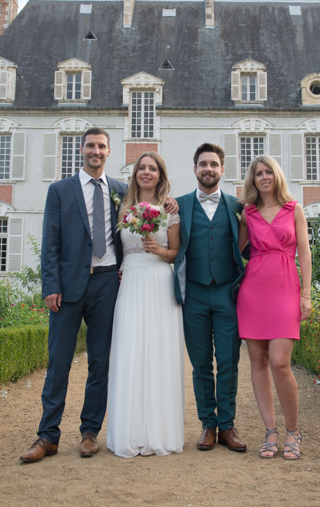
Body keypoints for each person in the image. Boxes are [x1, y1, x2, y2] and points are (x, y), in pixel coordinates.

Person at [19, 129, 178, 463]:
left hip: (108, 284)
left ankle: (89, 432)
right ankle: (48, 435)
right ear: (82, 149)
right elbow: (50, 241)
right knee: (58, 361)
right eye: (90, 145)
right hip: (67, 287)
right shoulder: (60, 190)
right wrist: (50, 285)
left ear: (109, 151)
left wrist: (173, 202)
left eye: (101, 146)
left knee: (101, 361)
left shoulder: (121, 192)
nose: (96, 150)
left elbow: (151, 212)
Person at [106, 152, 184, 457]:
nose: (146, 172)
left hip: (158, 281)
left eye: (152, 168)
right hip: (131, 282)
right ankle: (130, 430)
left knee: (158, 351)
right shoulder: (122, 207)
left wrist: (159, 251)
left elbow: (176, 252)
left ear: (160, 175)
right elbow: (115, 248)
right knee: (129, 350)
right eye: (142, 168)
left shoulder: (169, 209)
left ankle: (159, 432)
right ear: (135, 173)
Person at [236, 155, 312, 461]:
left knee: (280, 363)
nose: (264, 177)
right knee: (257, 362)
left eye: (268, 172)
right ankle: (270, 432)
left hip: (285, 289)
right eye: (258, 173)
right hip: (252, 291)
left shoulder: (294, 209)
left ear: (276, 175)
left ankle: (293, 431)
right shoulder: (248, 213)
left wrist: (306, 294)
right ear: (253, 180)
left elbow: (304, 253)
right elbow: (235, 250)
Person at [174, 143, 247, 452]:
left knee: (229, 361)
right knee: (201, 363)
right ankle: (208, 424)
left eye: (214, 164)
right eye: (203, 164)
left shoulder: (237, 206)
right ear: (195, 169)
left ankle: (227, 426)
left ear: (222, 169)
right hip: (193, 294)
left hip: (227, 293)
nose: (208, 168)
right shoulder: (178, 205)